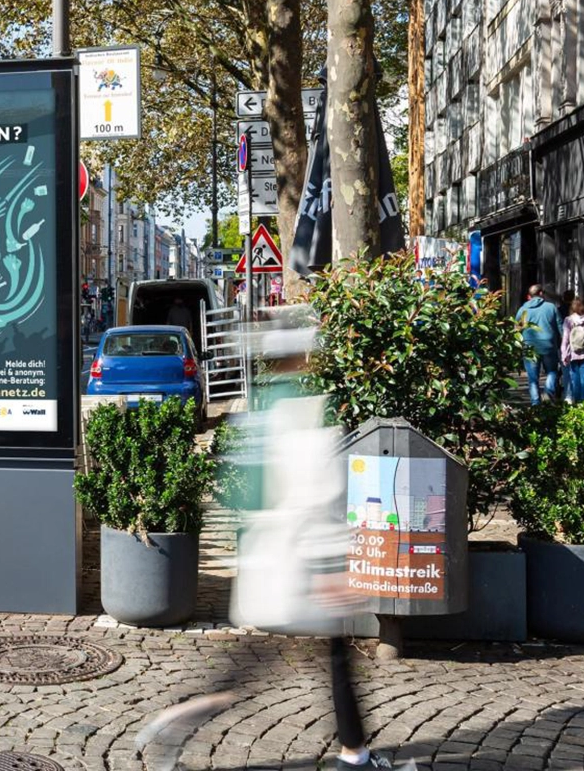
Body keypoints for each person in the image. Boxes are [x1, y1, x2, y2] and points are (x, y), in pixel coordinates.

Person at [136, 307, 394, 771]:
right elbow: (317, 495)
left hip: (268, 559)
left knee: (273, 660)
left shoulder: (260, 410)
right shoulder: (306, 410)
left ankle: (352, 750)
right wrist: (331, 569)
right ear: (303, 357)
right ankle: (353, 754)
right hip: (303, 565)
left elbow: (246, 493)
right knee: (331, 658)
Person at [514, 284, 562, 405]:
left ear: (530, 295)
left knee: (533, 378)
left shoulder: (523, 309)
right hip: (548, 345)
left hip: (529, 346)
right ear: (541, 293)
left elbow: (516, 328)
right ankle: (548, 392)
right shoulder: (551, 307)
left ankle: (535, 403)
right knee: (552, 371)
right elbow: (560, 326)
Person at [560, 296, 584, 404]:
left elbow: (565, 340)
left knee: (574, 380)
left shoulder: (568, 320)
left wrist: (564, 355)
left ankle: (577, 403)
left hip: (573, 354)